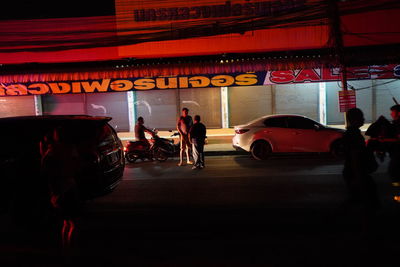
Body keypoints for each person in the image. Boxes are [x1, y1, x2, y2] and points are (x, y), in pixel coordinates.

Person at [41, 126, 81, 249]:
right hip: (67, 189)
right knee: (73, 223)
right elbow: (76, 166)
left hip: (56, 192)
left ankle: (66, 250)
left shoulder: (49, 153)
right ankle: (70, 251)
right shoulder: (67, 149)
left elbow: (46, 172)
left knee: (66, 222)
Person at [342, 108, 380, 233]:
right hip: (357, 174)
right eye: (361, 117)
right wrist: (359, 177)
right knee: (367, 201)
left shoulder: (353, 133)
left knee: (358, 200)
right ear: (355, 119)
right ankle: (365, 228)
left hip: (355, 173)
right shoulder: (353, 135)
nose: (364, 119)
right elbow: (355, 156)